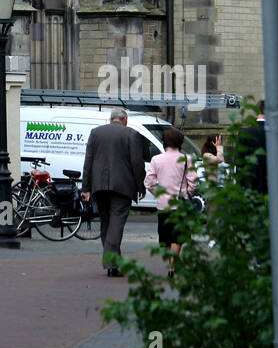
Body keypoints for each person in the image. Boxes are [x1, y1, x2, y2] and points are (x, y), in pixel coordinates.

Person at [81, 106, 147, 277]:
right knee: (116, 223)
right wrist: (141, 185)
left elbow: (88, 162)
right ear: (124, 120)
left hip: (99, 186)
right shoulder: (131, 134)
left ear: (111, 119)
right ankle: (111, 263)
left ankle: (113, 262)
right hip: (123, 186)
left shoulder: (95, 133)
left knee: (106, 222)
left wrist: (86, 188)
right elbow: (137, 164)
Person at [144, 127, 198, 278]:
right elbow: (193, 182)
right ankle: (173, 264)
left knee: (166, 237)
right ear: (180, 142)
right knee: (178, 236)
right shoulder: (186, 159)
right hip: (181, 203)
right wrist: (188, 193)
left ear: (164, 142)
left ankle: (171, 263)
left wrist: (159, 193)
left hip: (163, 205)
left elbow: (149, 183)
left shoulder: (156, 159)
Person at [234, 103, 268, 194]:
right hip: (272, 183)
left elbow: (239, 160)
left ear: (255, 113)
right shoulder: (274, 132)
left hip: (250, 184)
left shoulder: (245, 132)